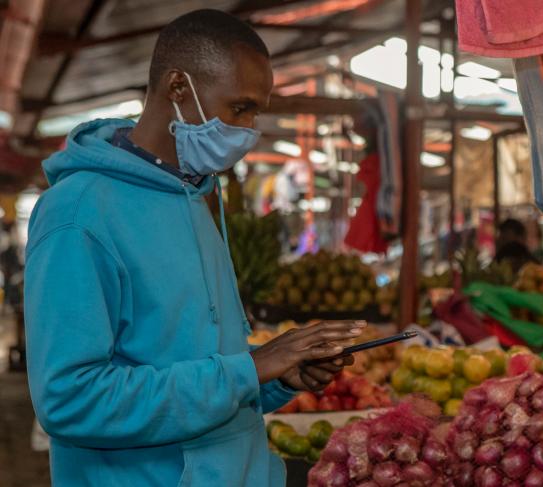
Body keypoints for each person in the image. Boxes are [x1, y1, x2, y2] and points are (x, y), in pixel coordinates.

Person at [24, 10, 364, 487]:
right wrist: (251, 368)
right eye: (240, 108)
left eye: (256, 113)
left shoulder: (196, 196)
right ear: (177, 88)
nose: (249, 131)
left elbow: (202, 365)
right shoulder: (78, 214)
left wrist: (278, 378)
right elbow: (70, 400)